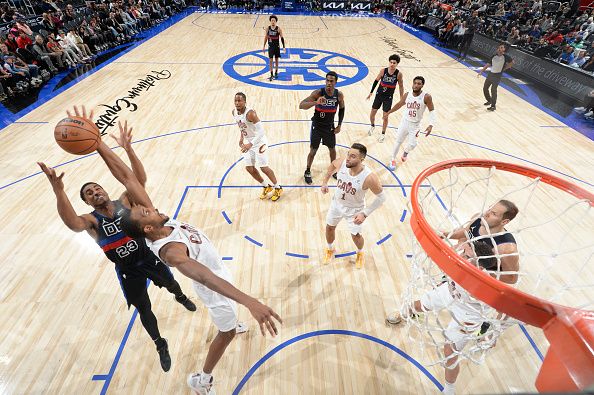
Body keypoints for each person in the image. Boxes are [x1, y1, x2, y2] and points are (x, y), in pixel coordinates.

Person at [75, 107, 282, 394]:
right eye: (144, 211)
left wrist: (99, 145)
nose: (148, 206)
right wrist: (250, 302)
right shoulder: (170, 252)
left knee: (228, 302)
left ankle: (233, 317)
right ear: (146, 228)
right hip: (215, 286)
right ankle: (202, 379)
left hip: (217, 270)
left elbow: (128, 179)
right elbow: (209, 279)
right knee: (227, 332)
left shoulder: (160, 220)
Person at [37, 114, 200, 373]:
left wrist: (129, 150)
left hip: (148, 257)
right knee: (143, 308)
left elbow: (138, 179)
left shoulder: (126, 202)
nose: (95, 192)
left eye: (96, 188)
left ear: (104, 189)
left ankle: (179, 295)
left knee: (170, 282)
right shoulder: (90, 220)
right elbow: (71, 224)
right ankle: (160, 343)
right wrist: (59, 191)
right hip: (127, 269)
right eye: (89, 193)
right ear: (88, 202)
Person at [386, 241, 505, 395]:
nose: (461, 256)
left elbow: (505, 310)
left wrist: (494, 333)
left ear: (480, 268)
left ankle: (449, 389)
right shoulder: (459, 259)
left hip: (469, 313)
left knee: (450, 352)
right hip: (449, 291)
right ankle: (403, 314)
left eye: (467, 255)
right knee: (416, 306)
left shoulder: (490, 287)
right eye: (464, 251)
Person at [320, 143, 385, 269]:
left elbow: (382, 197)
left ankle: (360, 252)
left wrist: (364, 213)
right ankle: (330, 249)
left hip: (355, 210)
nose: (348, 158)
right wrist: (324, 182)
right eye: (348, 154)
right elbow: (332, 165)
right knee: (329, 227)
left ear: (361, 159)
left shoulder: (369, 177)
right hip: (337, 204)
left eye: (353, 156)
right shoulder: (342, 163)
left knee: (355, 236)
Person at [233, 92, 283, 201]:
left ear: (245, 102)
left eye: (239, 100)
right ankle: (266, 186)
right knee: (249, 168)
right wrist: (242, 137)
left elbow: (261, 132)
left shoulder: (250, 114)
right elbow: (242, 126)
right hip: (248, 142)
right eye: (235, 100)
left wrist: (250, 144)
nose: (237, 103)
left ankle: (278, 187)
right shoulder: (234, 113)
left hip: (259, 142)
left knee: (263, 167)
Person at [299, 70, 345, 185]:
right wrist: (315, 103)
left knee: (332, 149)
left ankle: (334, 169)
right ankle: (308, 170)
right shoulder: (318, 93)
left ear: (335, 82)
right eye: (327, 80)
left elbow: (342, 109)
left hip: (329, 127)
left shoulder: (338, 95)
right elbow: (301, 105)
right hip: (317, 127)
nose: (329, 83)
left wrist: (339, 125)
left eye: (331, 81)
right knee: (313, 151)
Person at [384, 76, 436, 170]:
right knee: (398, 141)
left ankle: (405, 152)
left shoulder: (426, 96)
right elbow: (400, 104)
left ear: (422, 85)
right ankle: (392, 159)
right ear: (412, 83)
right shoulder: (407, 94)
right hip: (405, 122)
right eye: (415, 83)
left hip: (415, 125)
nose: (416, 85)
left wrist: (431, 124)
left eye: (419, 84)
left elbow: (431, 110)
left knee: (413, 144)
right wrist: (389, 112)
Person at [366, 54, 404, 143]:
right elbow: (376, 81)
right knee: (372, 114)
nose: (392, 64)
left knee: (385, 117)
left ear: (397, 64)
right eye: (390, 62)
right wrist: (371, 92)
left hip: (388, 98)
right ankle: (372, 126)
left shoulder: (398, 74)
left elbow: (401, 86)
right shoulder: (383, 71)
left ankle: (383, 134)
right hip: (379, 95)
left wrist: (402, 98)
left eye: (394, 63)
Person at [477, 43, 513, 112]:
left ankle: (493, 106)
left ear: (504, 49)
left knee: (493, 90)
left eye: (502, 48)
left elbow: (512, 62)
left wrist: (506, 68)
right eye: (499, 48)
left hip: (497, 76)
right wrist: (481, 71)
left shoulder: (505, 57)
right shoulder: (493, 56)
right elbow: (488, 64)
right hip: (490, 74)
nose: (500, 49)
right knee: (485, 88)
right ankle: (489, 100)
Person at [262, 15, 285, 81]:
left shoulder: (278, 29)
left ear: (276, 21)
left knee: (276, 60)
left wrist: (284, 47)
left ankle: (276, 72)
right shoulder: (267, 28)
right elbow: (266, 37)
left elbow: (282, 38)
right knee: (270, 60)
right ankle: (271, 73)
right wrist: (263, 46)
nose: (273, 22)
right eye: (272, 20)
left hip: (277, 46)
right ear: (270, 21)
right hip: (270, 47)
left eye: (274, 21)